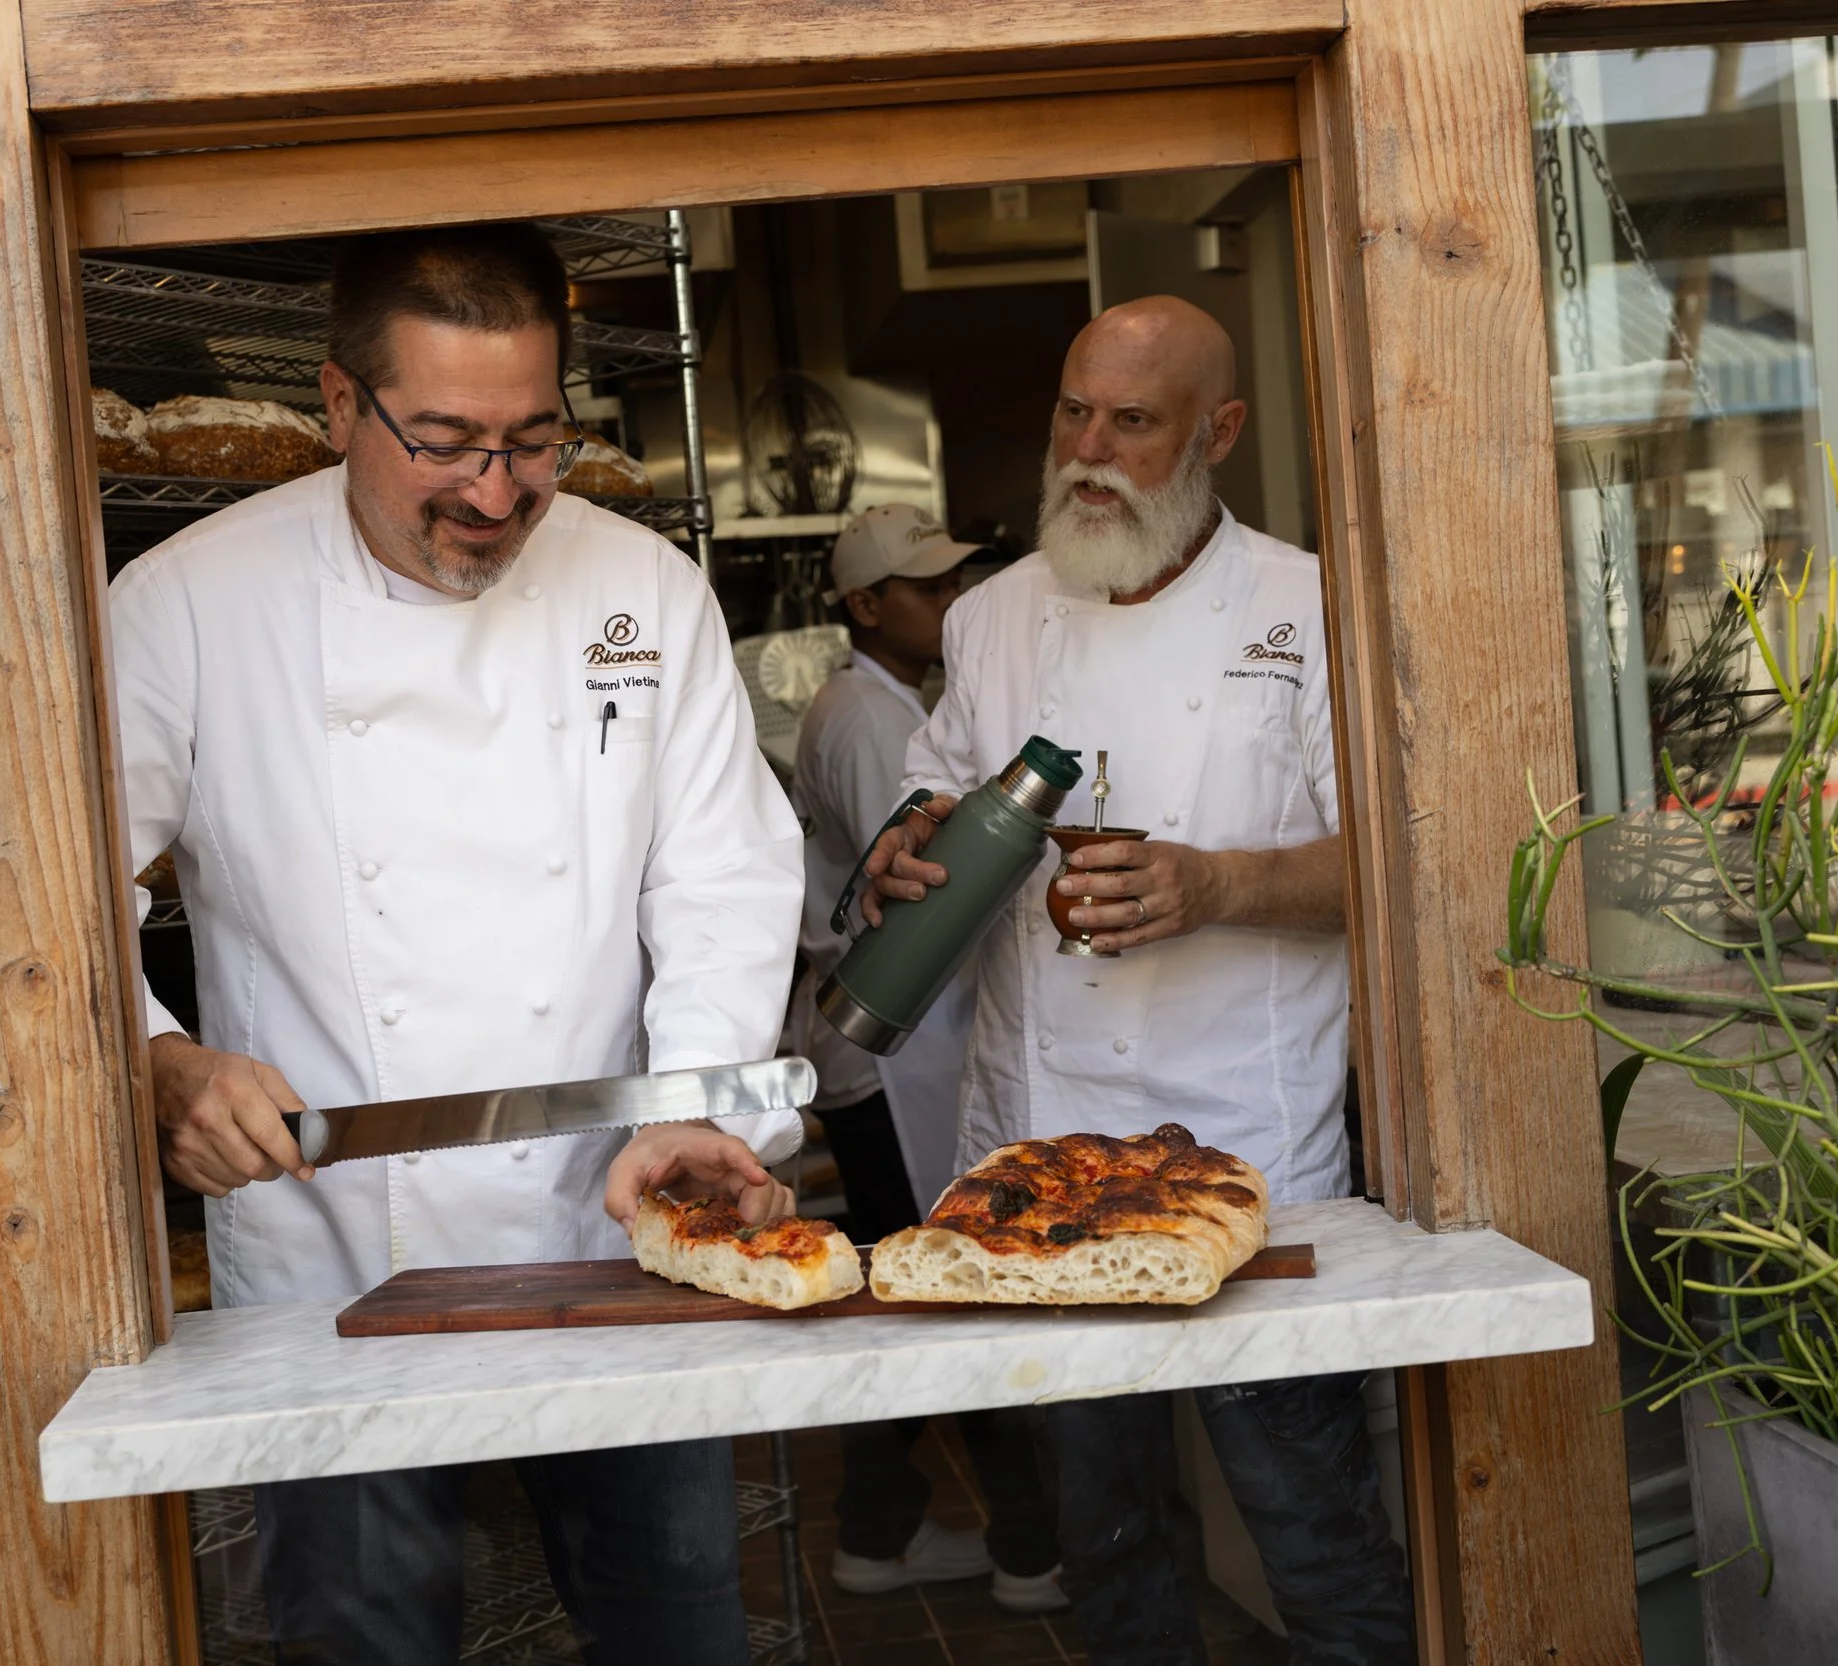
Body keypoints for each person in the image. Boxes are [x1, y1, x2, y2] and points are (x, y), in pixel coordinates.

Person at [108, 223, 804, 1666]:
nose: (496, 491)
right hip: (332, 1254)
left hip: (620, 1228)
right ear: (339, 405)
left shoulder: (644, 589)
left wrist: (691, 1099)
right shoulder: (186, 602)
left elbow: (723, 874)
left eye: (533, 440)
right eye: (444, 440)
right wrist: (160, 1059)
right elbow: (54, 914)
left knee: (678, 1637)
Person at [862, 295, 1412, 1665]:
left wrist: (1218, 884)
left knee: (1312, 1518)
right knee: (1104, 1535)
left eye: (1135, 420)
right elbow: (938, 787)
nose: (1088, 448)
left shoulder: (1310, 604)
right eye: (1073, 410)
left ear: (1219, 430)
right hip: (1045, 1138)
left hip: (1250, 1136)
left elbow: (1408, 864)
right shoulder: (991, 615)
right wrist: (903, 847)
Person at [786, 506, 1063, 1613]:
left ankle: (883, 1526)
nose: (950, 603)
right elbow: (918, 896)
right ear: (864, 605)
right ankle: (1029, 1548)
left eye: (955, 584)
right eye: (925, 588)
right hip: (884, 1059)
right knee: (939, 1294)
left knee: (914, 1289)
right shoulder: (860, 716)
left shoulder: (903, 705)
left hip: (913, 1052)